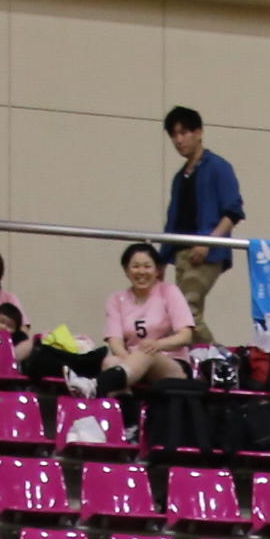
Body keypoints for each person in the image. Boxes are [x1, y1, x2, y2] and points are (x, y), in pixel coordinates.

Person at [164, 107, 247, 331]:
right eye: (173, 135)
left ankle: (217, 352)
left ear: (198, 132)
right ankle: (200, 353)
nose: (178, 140)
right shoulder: (180, 177)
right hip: (181, 252)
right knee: (183, 316)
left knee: (185, 314)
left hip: (206, 252)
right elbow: (172, 220)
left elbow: (233, 211)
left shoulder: (218, 167)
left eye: (183, 133)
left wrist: (208, 242)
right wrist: (161, 259)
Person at [103, 241, 197, 401]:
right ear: (126, 270)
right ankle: (128, 412)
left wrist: (158, 345)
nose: (141, 272)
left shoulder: (169, 291)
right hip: (132, 361)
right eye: (135, 266)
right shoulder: (116, 299)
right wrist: (131, 361)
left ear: (157, 270)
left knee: (148, 351)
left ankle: (99, 384)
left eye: (147, 266)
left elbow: (186, 336)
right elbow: (115, 342)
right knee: (110, 362)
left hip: (170, 362)